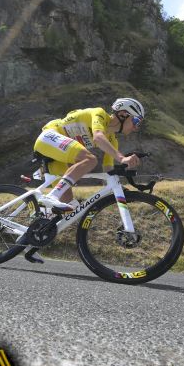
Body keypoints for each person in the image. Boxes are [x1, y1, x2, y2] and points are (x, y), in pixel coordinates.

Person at [27, 97, 144, 263]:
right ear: (124, 114)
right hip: (50, 136)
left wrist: (120, 189)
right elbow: (97, 137)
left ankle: (30, 237)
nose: (136, 127)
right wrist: (122, 158)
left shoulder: (112, 140)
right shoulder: (99, 114)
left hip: (59, 156)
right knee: (90, 159)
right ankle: (51, 196)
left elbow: (109, 171)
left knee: (69, 208)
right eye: (136, 121)